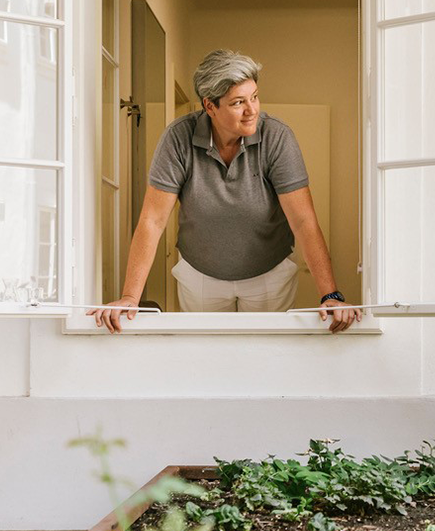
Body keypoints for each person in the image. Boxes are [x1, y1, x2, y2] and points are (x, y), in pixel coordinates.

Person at [89, 49, 360, 333]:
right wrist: (131, 297)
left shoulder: (276, 137)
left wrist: (330, 295)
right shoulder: (178, 138)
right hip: (200, 276)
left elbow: (303, 220)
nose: (251, 109)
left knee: (264, 356)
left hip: (268, 273)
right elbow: (153, 220)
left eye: (254, 97)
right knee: (207, 358)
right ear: (210, 106)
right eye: (238, 102)